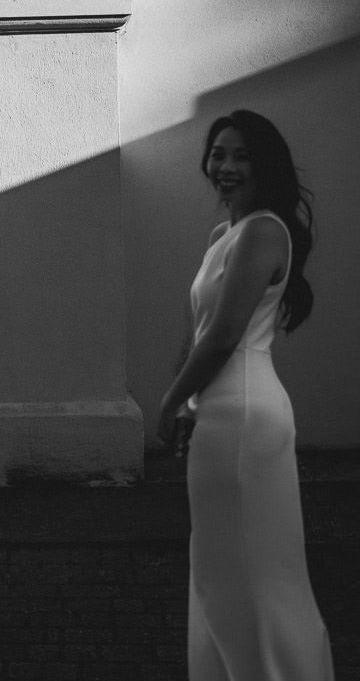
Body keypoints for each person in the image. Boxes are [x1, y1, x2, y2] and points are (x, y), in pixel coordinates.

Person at [158, 109, 334, 680]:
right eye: (218, 153)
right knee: (221, 569)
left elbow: (223, 338)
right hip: (221, 411)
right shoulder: (225, 234)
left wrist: (168, 401)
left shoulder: (263, 230)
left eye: (241, 155)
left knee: (255, 575)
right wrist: (188, 402)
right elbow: (199, 330)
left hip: (244, 417)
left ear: (266, 166)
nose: (226, 166)